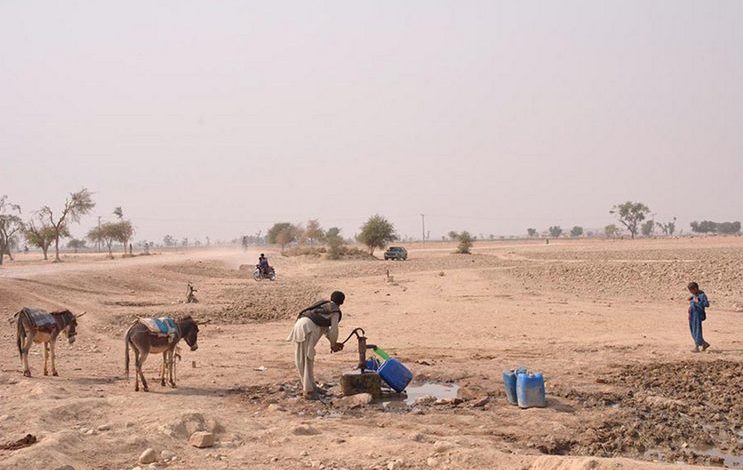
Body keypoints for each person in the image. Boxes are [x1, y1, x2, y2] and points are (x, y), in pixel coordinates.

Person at [287, 291, 346, 400]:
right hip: (307, 329)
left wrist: (333, 343)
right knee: (305, 360)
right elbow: (333, 330)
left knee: (306, 359)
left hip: (299, 325)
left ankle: (312, 387)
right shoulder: (335, 311)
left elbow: (325, 330)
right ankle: (308, 392)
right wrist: (333, 344)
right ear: (342, 302)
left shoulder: (324, 305)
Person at [687, 282, 710, 352]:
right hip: (692, 315)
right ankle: (704, 344)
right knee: (693, 331)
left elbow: (707, 304)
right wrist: (691, 299)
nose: (691, 292)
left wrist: (698, 302)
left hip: (697, 316)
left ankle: (697, 346)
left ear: (695, 288)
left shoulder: (702, 295)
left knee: (697, 331)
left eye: (691, 290)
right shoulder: (694, 295)